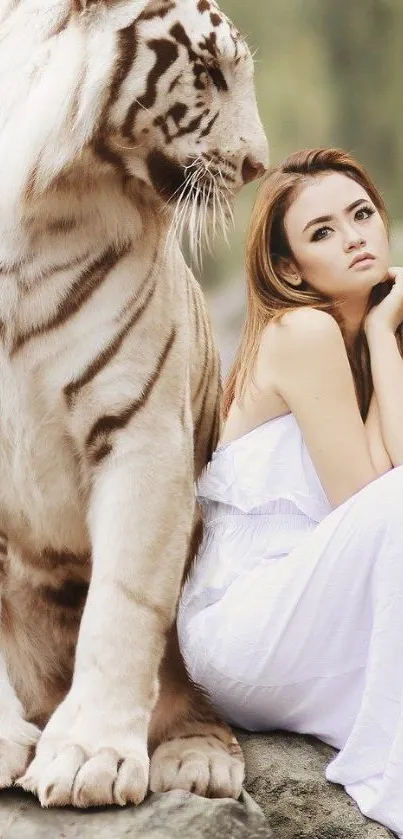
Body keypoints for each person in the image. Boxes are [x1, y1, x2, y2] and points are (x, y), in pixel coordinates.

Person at [177, 147, 403, 838]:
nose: (354, 236)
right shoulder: (301, 331)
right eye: (322, 232)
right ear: (286, 268)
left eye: (361, 214)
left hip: (306, 613)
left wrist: (378, 340)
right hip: (240, 625)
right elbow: (371, 496)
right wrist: (375, 330)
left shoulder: (366, 345)